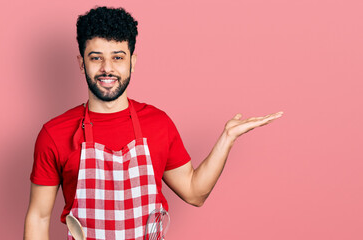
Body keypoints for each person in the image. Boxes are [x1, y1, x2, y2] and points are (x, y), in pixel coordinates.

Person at [24, 6, 283, 240]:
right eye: (95, 57)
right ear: (82, 63)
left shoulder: (158, 124)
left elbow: (194, 193)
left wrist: (227, 139)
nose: (107, 68)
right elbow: (39, 218)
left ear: (132, 62)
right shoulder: (54, 133)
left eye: (117, 57)